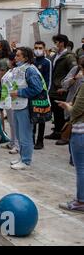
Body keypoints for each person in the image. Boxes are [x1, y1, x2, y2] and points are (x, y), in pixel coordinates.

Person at [8, 48, 44, 170]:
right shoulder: (20, 69)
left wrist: (19, 92)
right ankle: (22, 157)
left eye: (18, 56)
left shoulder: (30, 70)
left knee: (25, 135)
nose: (15, 58)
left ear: (26, 58)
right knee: (19, 134)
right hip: (18, 105)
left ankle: (26, 161)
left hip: (26, 106)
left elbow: (37, 88)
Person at [57, 81, 84, 213]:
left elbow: (76, 110)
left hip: (81, 131)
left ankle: (81, 201)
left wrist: (67, 106)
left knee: (81, 168)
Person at [47, 35, 78, 144]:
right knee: (56, 111)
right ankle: (56, 131)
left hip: (62, 89)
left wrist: (65, 87)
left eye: (57, 42)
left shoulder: (69, 57)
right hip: (53, 89)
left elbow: (74, 72)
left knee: (63, 113)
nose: (55, 44)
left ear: (62, 43)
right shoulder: (54, 56)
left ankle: (64, 135)